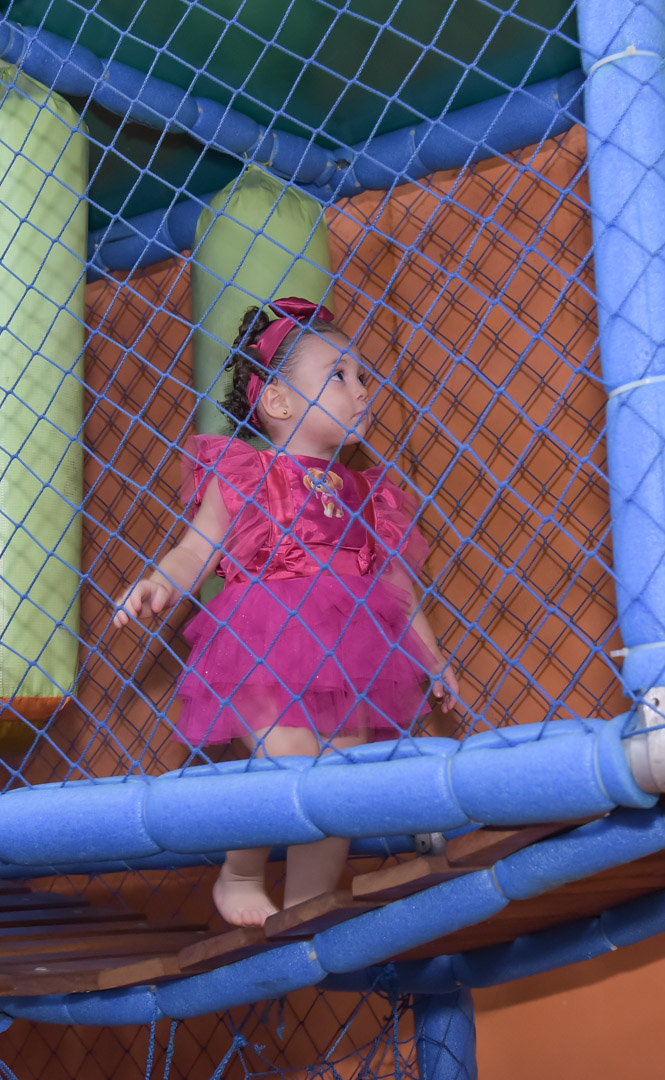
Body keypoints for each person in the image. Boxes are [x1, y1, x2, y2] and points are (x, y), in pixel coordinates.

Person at [112, 297, 459, 926]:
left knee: (339, 783)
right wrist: (160, 583)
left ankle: (309, 900)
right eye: (339, 376)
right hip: (265, 648)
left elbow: (396, 584)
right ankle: (240, 874)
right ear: (277, 401)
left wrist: (431, 657)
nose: (361, 390)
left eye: (362, 376)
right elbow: (197, 548)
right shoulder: (247, 473)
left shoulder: (368, 492)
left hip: (351, 660)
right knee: (288, 762)